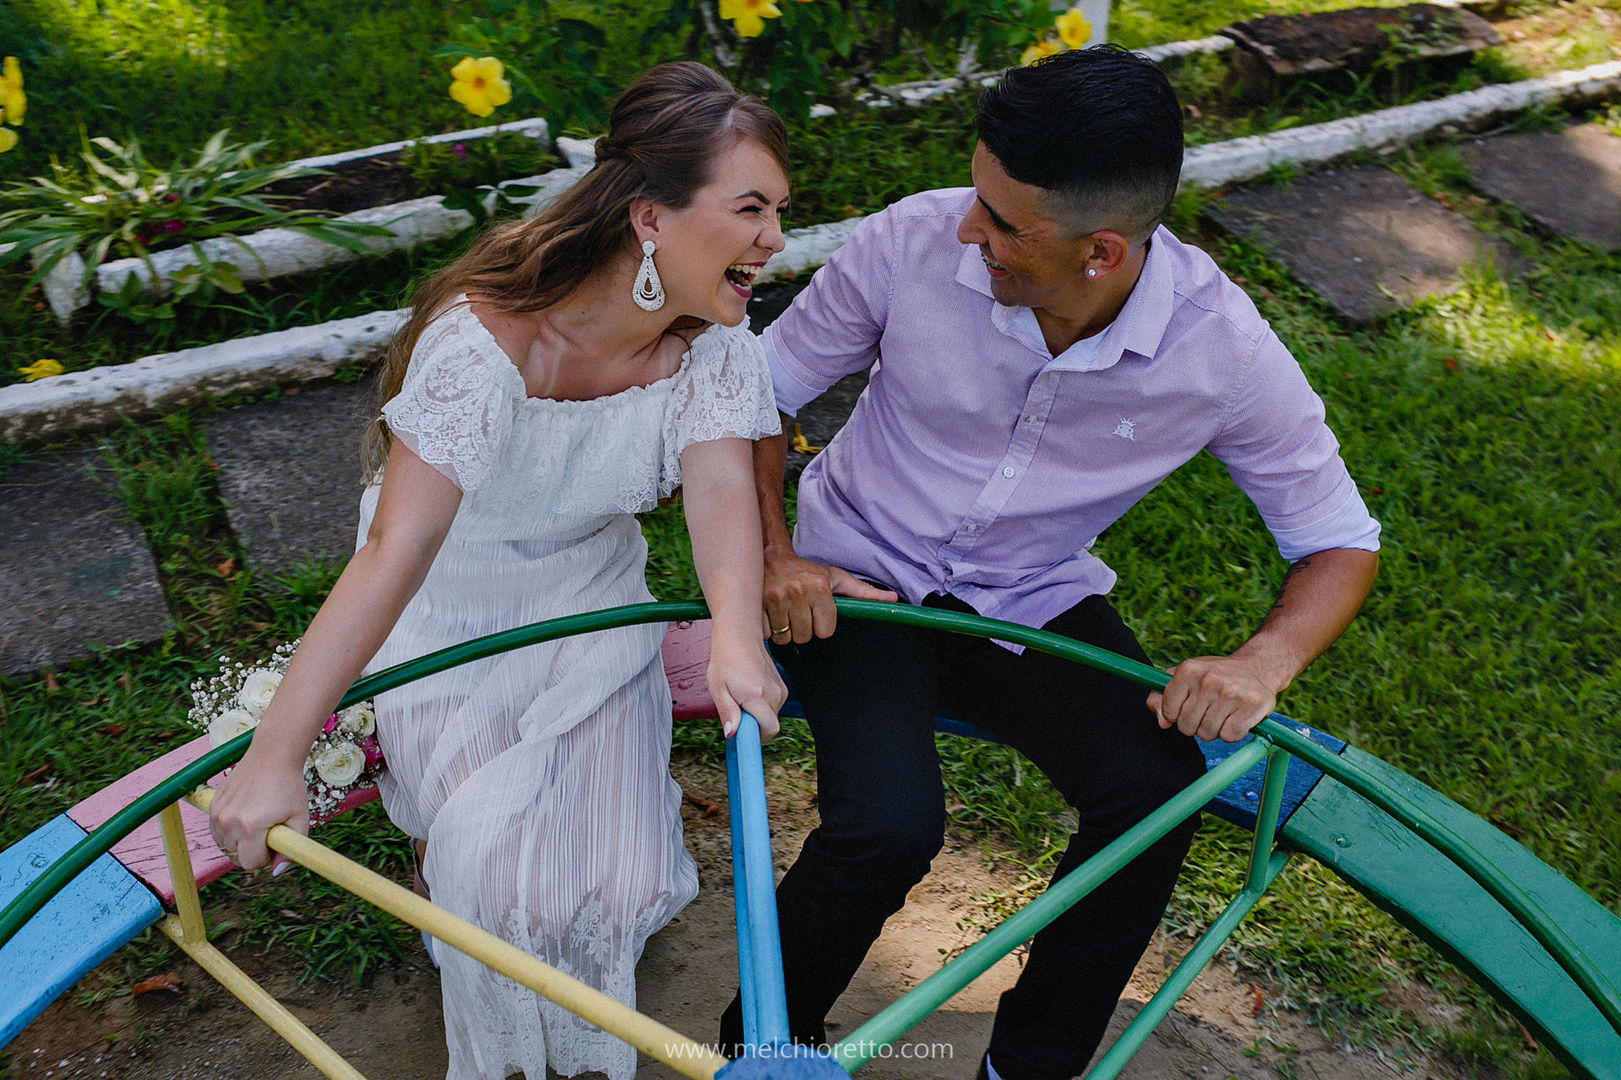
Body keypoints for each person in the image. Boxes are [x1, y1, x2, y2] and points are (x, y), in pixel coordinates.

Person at [726, 45, 1381, 1080]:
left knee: (1157, 791)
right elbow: (752, 395)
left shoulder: (1221, 351)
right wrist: (772, 556)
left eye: (1001, 222)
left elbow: (1338, 538)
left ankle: (1026, 1067)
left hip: (1029, 598)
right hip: (856, 578)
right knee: (889, 825)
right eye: (977, 197)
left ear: (1101, 253)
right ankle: (759, 1049)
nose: (964, 227)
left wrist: (1262, 664)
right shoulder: (907, 242)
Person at [209, 61, 790, 1080]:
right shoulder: (485, 344)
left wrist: (736, 635)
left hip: (588, 602)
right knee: (493, 875)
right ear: (651, 218)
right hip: (451, 604)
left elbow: (719, 496)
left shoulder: (717, 352)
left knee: (611, 882)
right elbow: (398, 549)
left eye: (780, 212)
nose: (773, 240)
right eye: (750, 210)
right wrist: (274, 757)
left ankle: (581, 1052)